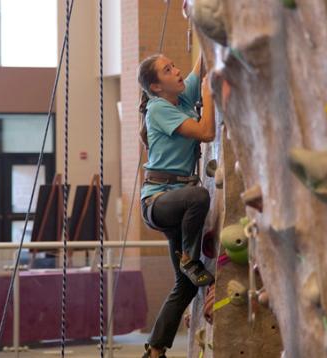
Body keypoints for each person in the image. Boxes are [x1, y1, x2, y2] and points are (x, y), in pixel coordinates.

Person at [137, 52, 216, 358]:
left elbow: (203, 59)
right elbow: (207, 132)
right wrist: (208, 94)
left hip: (176, 201)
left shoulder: (180, 98)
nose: (177, 71)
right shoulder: (158, 109)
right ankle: (189, 258)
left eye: (173, 65)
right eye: (168, 70)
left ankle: (155, 351)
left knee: (185, 286)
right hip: (158, 201)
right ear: (156, 87)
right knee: (199, 196)